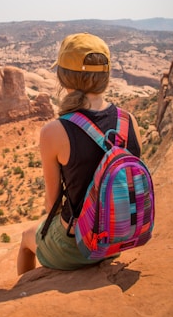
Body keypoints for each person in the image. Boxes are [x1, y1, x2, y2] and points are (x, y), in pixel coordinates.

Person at [17, 32, 143, 275]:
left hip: (79, 246)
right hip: (120, 237)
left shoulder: (55, 131)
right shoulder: (129, 121)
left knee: (25, 239)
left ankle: (22, 289)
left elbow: (52, 203)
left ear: (64, 78)